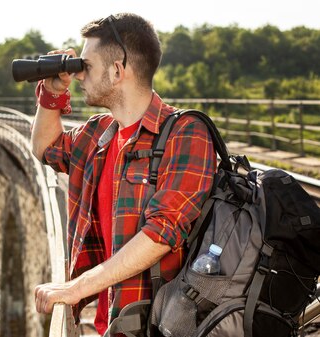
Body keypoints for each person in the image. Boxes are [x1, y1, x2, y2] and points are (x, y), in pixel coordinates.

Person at [31, 13, 217, 336]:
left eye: (85, 67)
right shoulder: (99, 135)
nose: (78, 76)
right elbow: (46, 147)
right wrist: (52, 92)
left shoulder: (186, 133)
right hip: (112, 326)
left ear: (117, 71)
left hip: (160, 327)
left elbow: (161, 233)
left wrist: (76, 288)